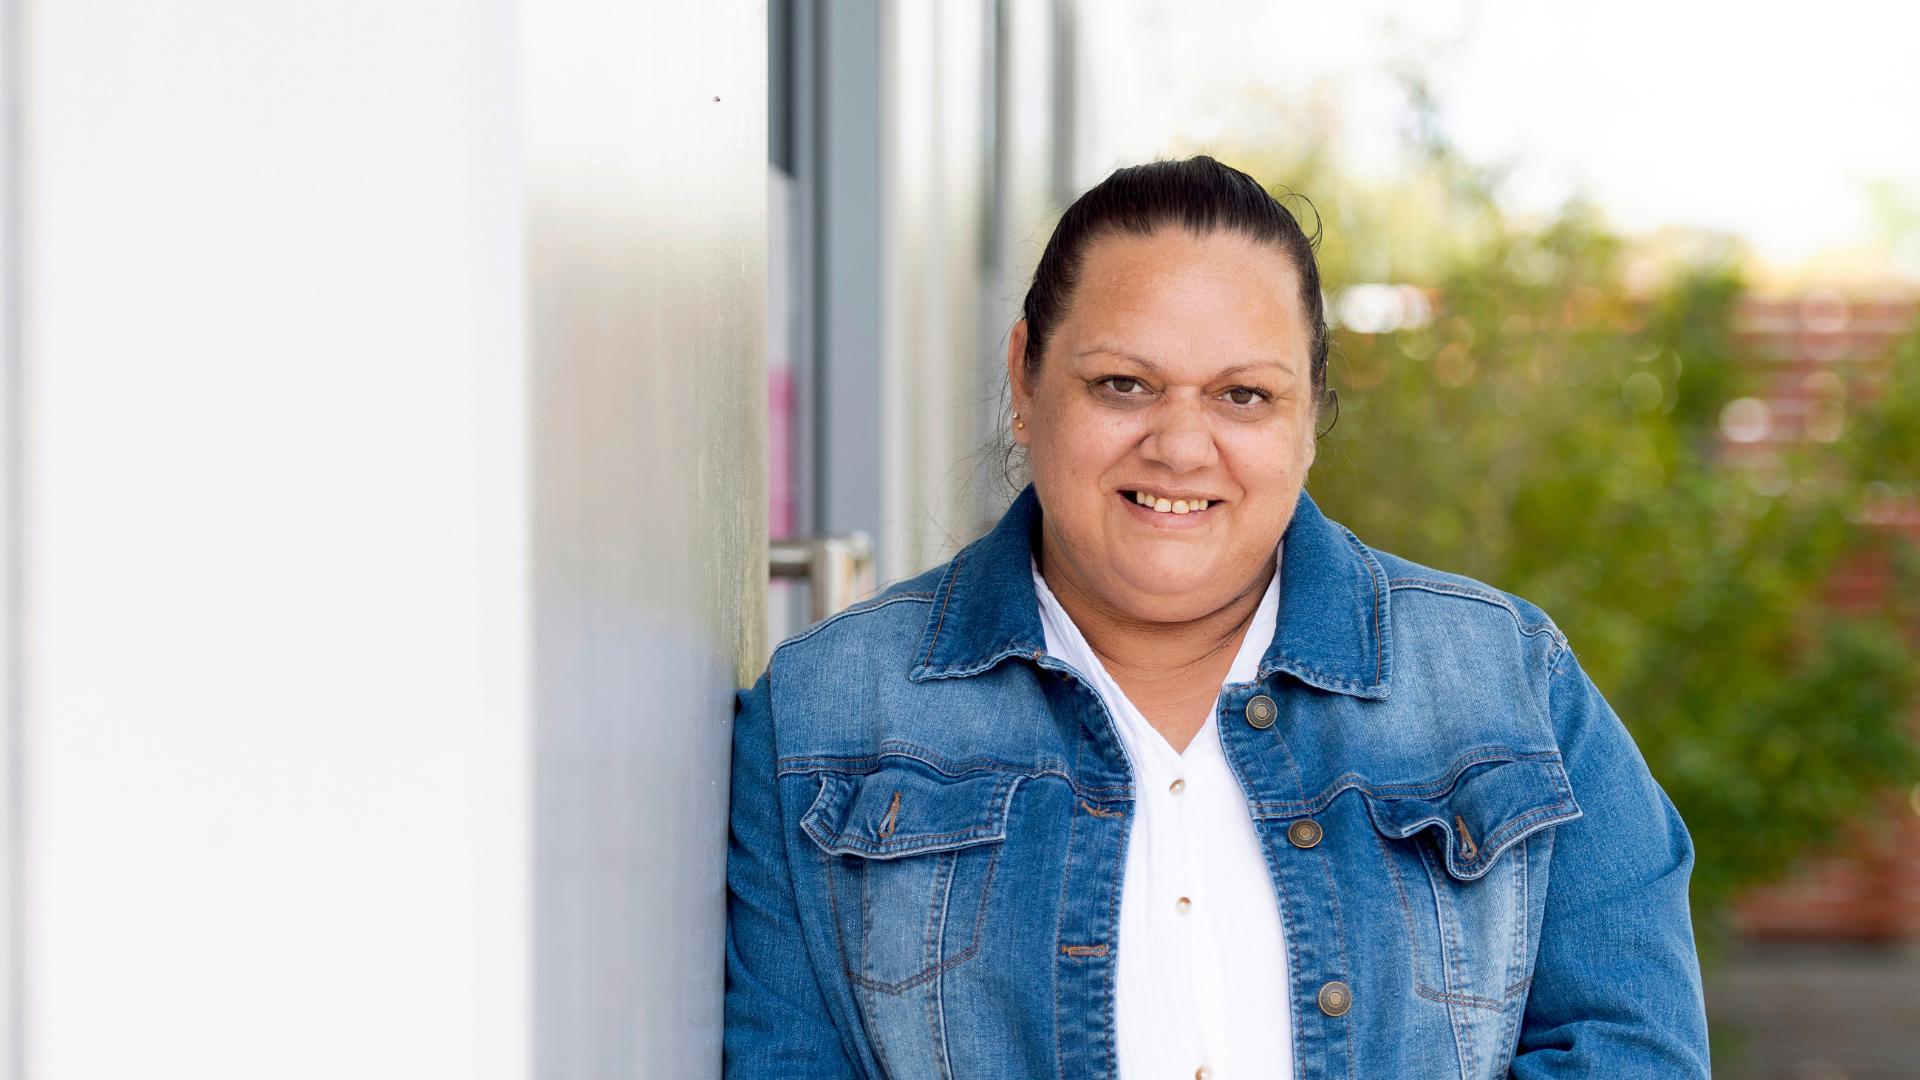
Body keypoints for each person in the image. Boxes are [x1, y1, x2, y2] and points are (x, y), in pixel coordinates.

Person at [724, 155, 1710, 1079]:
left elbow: (1628, 1047)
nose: (1181, 446)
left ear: (1310, 414)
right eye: (1123, 384)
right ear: (1026, 379)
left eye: (1243, 394)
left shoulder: (1510, 685)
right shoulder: (823, 719)